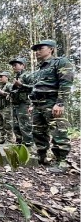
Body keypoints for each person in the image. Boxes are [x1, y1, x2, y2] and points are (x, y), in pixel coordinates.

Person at [29, 39, 74, 172]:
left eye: (40, 48)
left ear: (51, 49)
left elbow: (65, 82)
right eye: (36, 50)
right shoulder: (40, 69)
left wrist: (60, 103)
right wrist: (32, 103)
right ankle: (41, 156)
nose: (37, 52)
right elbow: (36, 87)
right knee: (38, 132)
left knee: (58, 132)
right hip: (38, 104)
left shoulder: (60, 62)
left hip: (52, 102)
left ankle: (62, 162)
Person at [8, 57, 33, 147]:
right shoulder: (16, 77)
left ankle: (29, 144)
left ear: (22, 65)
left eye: (15, 65)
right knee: (16, 125)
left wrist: (21, 85)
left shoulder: (27, 75)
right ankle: (19, 143)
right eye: (12, 66)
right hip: (15, 104)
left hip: (24, 104)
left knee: (25, 125)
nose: (13, 67)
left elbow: (34, 88)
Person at [0, 71, 15, 144]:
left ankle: (10, 139)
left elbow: (13, 95)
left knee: (8, 124)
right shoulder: (0, 86)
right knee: (0, 124)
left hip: (6, 107)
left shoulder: (9, 85)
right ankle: (2, 138)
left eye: (1, 76)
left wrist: (3, 93)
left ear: (7, 77)